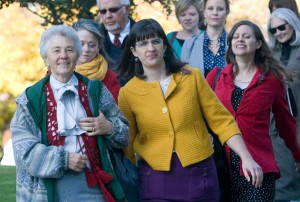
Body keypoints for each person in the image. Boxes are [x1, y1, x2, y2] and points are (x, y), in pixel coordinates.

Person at [118, 18, 263, 201]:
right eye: (143, 43)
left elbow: (221, 121)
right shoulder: (128, 93)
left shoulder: (191, 77)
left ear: (164, 46)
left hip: (199, 175)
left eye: (156, 41)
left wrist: (246, 157)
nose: (151, 48)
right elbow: (127, 145)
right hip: (154, 180)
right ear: (133, 51)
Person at [10, 25, 129, 202]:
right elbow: (23, 152)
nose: (63, 55)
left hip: (95, 187)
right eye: (56, 50)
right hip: (47, 192)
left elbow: (125, 135)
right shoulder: (30, 99)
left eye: (70, 49)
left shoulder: (95, 90)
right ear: (46, 59)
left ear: (77, 56)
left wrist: (108, 127)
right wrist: (63, 160)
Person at [206, 20, 300, 202]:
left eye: (246, 36)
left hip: (258, 169)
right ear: (231, 43)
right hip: (220, 168)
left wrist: (298, 156)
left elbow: (285, 122)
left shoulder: (272, 80)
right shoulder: (215, 76)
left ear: (258, 44)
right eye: (236, 37)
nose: (240, 40)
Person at [267, 8, 300, 201]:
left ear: (292, 24)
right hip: (277, 126)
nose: (278, 32)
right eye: (273, 30)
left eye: (282, 27)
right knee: (282, 181)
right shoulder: (270, 54)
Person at [73, 18, 121, 102]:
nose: (86, 49)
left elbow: (117, 112)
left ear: (98, 47)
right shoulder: (58, 72)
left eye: (91, 45)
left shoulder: (110, 78)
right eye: (81, 44)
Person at [181, 0, 230, 77]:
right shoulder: (189, 45)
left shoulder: (235, 43)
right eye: (210, 8)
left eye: (220, 9)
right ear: (204, 12)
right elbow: (183, 77)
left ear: (227, 12)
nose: (215, 13)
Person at [96, 0, 136, 85]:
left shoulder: (143, 35)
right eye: (103, 11)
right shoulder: (95, 38)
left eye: (113, 10)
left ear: (127, 9)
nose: (108, 16)